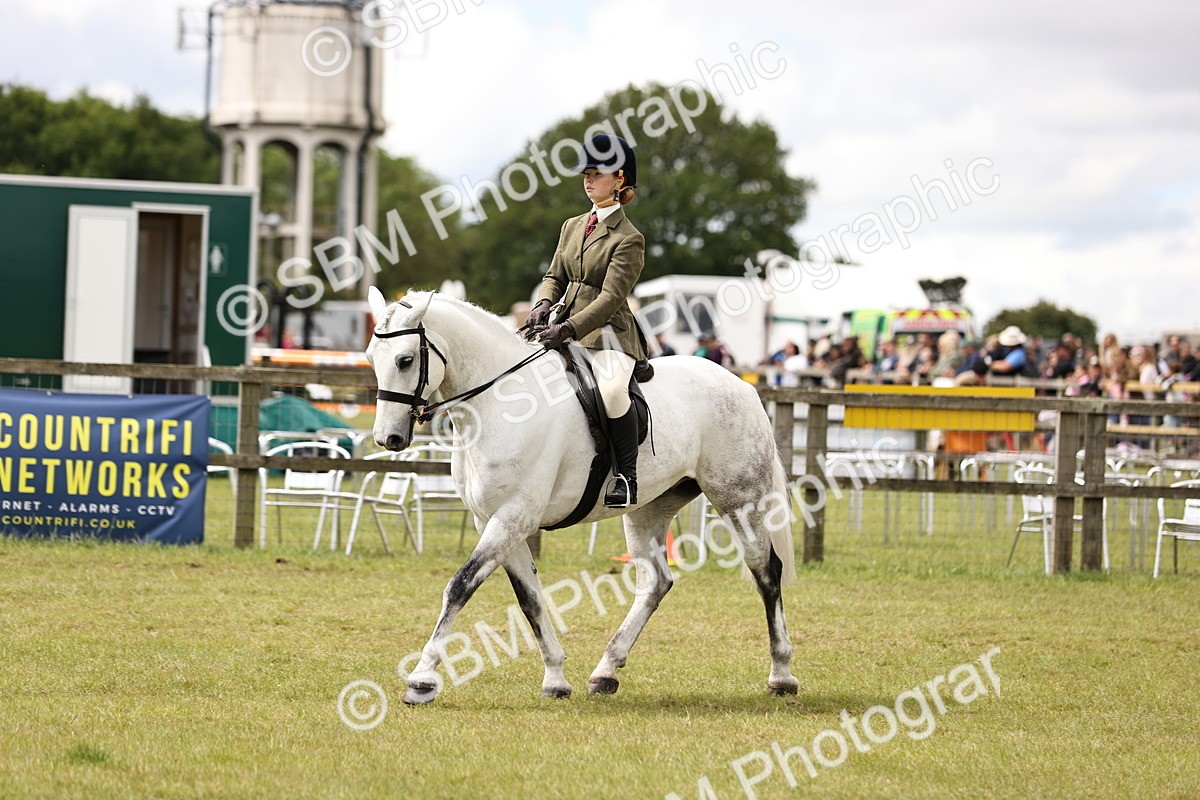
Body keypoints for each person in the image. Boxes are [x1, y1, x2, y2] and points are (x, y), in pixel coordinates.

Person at [528, 133, 645, 508]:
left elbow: (611, 298)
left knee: (611, 391)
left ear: (620, 180)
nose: (588, 180)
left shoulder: (629, 238)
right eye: (586, 173)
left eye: (597, 173)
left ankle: (627, 476)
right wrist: (543, 303)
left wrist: (568, 328)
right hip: (563, 325)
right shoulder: (572, 226)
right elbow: (554, 275)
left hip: (608, 334)